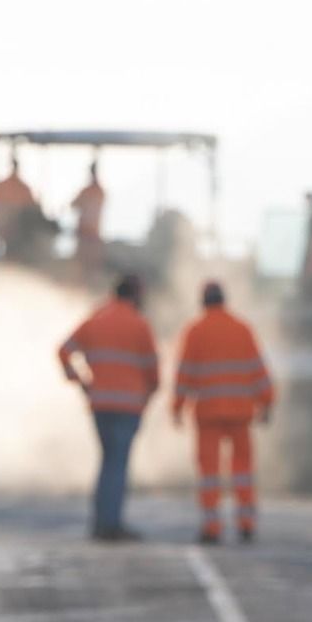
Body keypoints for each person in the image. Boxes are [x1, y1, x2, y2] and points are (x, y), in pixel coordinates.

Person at [58, 273, 159, 541]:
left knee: (107, 463)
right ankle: (110, 525)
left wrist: (79, 381)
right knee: (117, 464)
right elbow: (153, 372)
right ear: (135, 295)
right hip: (128, 408)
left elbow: (63, 350)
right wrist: (148, 394)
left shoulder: (95, 320)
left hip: (100, 405)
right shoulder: (139, 325)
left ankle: (103, 521)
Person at [172, 281, 274, 544]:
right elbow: (258, 371)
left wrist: (177, 407)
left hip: (208, 414)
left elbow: (184, 375)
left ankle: (212, 527)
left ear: (203, 302)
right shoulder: (242, 329)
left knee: (209, 472)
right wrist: (267, 402)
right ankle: (246, 523)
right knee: (242, 469)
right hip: (241, 412)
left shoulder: (195, 331)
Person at [0, 157, 42, 256]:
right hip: (9, 228)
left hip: (17, 231)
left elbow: (32, 207)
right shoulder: (5, 186)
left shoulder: (22, 187)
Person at [72, 160, 106, 270]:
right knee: (88, 263)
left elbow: (74, 205)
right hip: (91, 233)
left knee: (83, 263)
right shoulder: (100, 191)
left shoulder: (88, 191)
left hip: (86, 233)